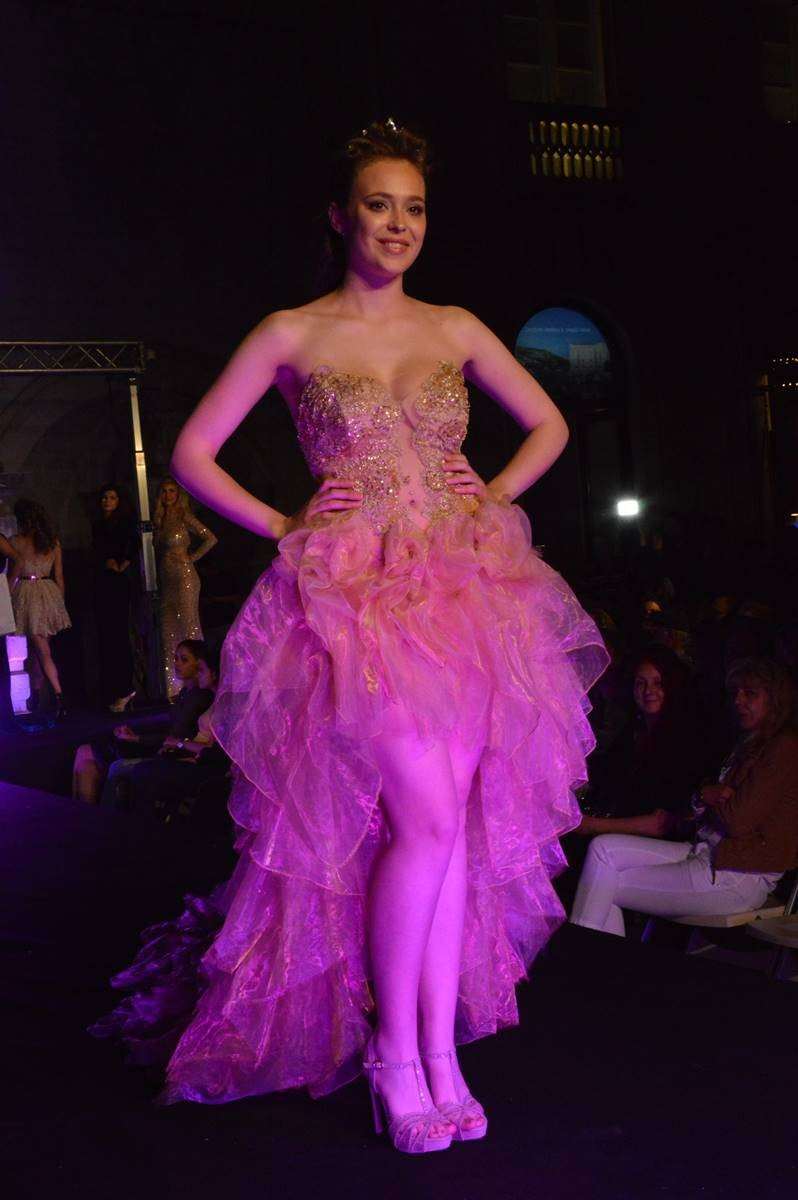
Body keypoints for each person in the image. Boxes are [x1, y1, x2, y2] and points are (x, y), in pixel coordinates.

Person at [96, 119, 607, 1153]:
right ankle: (394, 1056)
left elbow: (551, 423)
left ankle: (440, 1051)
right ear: (341, 216)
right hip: (357, 601)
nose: (399, 224)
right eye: (380, 205)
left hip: (465, 593)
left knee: (449, 829)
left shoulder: (454, 325)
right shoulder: (292, 333)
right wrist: (281, 522)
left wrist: (494, 492)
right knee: (424, 820)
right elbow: (192, 452)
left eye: (414, 208)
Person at [570, 657, 798, 937]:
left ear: (775, 699)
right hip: (703, 852)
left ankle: (583, 958)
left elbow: (737, 820)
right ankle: (596, 960)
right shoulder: (748, 742)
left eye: (750, 693)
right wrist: (706, 795)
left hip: (738, 874)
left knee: (603, 886)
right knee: (603, 850)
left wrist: (711, 799)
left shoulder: (784, 749)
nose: (738, 700)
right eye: (736, 693)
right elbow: (701, 802)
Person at [577, 646, 713, 840]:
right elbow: (604, 775)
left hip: (658, 842)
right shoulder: (633, 731)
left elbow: (662, 823)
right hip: (617, 829)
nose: (649, 691)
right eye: (641, 683)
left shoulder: (684, 740)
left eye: (658, 683)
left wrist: (592, 826)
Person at [73, 639, 214, 805]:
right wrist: (136, 736)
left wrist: (136, 738)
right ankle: (79, 813)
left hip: (170, 752)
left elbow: (175, 737)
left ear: (199, 665)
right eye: (175, 658)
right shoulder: (186, 693)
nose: (177, 664)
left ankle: (87, 815)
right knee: (85, 751)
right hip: (165, 747)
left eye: (184, 660)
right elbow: (172, 732)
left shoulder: (198, 697)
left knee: (92, 757)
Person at [102, 647, 228, 820]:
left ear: (214, 674)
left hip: (198, 760)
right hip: (190, 753)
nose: (176, 664)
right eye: (175, 658)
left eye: (199, 669)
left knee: (126, 769)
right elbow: (176, 733)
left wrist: (179, 745)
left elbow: (208, 747)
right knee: (116, 761)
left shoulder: (202, 699)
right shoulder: (196, 696)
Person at [6, 499, 71, 718]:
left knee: (41, 651)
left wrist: (6, 596)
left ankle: (59, 696)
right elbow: (59, 577)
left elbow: (13, 574)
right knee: (39, 650)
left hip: (29, 594)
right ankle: (36, 696)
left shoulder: (16, 542)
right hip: (49, 592)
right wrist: (59, 604)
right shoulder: (52, 542)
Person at [153, 477, 217, 700]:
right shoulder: (159, 521)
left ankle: (200, 682)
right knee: (169, 630)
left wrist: (192, 557)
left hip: (184, 577)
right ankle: (174, 689)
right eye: (164, 491)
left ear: (178, 494)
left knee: (189, 626)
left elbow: (210, 538)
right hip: (166, 580)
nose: (168, 495)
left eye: (172, 491)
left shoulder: (184, 517)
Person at [92, 484, 138, 711]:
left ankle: (124, 688)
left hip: (118, 580)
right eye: (104, 497)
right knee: (108, 635)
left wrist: (122, 564)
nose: (107, 501)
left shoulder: (124, 524)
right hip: (104, 580)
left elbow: (132, 545)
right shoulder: (98, 525)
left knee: (118, 634)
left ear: (119, 501)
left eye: (112, 497)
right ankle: (113, 690)